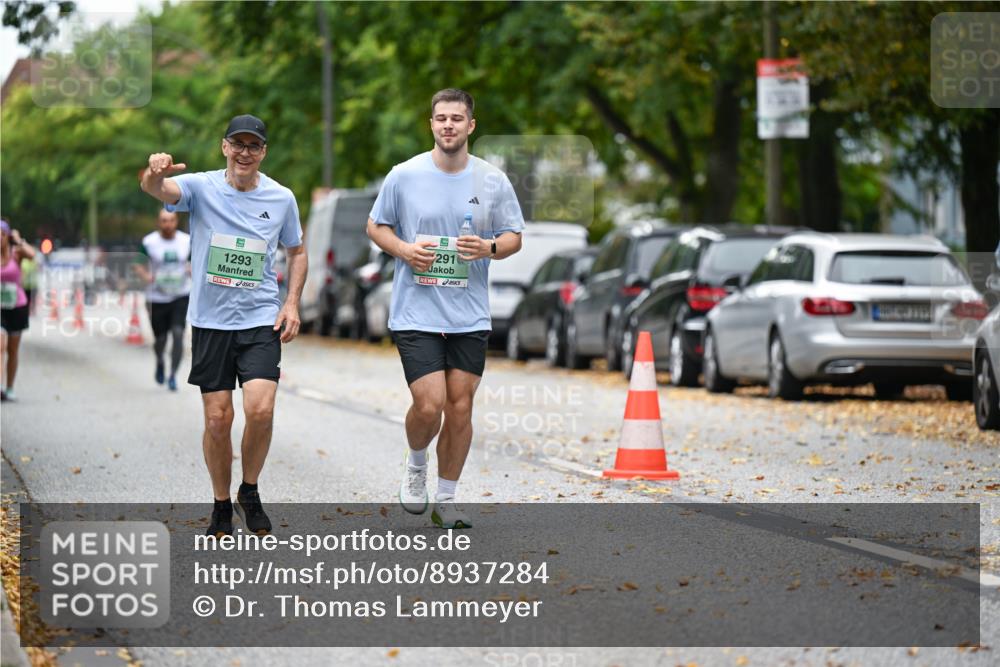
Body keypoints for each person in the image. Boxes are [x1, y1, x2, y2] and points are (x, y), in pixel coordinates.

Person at [140, 114, 307, 537]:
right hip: (212, 323)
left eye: (254, 146)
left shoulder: (282, 197)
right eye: (239, 144)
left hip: (260, 320)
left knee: (261, 409)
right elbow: (158, 190)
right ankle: (220, 503)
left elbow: (297, 252)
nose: (245, 152)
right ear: (225, 147)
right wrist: (154, 173)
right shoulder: (201, 187)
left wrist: (291, 303)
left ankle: (248, 491)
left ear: (263, 152)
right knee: (218, 419)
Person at [367, 88, 524, 529]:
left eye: (457, 118)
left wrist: (489, 247)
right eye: (441, 118)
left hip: (469, 314)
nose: (448, 125)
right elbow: (375, 225)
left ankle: (447, 499)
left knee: (460, 408)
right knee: (430, 404)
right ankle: (417, 465)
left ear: (471, 125)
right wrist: (403, 250)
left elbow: (514, 236)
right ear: (431, 124)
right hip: (416, 310)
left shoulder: (492, 180)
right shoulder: (404, 175)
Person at [133, 209, 192, 391]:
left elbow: (194, 261)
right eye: (164, 221)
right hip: (156, 297)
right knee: (160, 339)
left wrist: (191, 269)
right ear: (158, 222)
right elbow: (138, 264)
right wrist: (146, 276)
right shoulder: (149, 242)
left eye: (171, 220)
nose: (168, 225)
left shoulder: (186, 241)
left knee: (177, 333)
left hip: (180, 295)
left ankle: (173, 374)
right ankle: (160, 360)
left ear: (176, 221)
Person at [0, 219, 38, 402]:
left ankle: (9, 387)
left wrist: (18, 239)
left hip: (17, 305)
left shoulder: (16, 253)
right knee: (0, 343)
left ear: (7, 236)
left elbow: (33, 255)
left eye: (2, 234)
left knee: (12, 350)